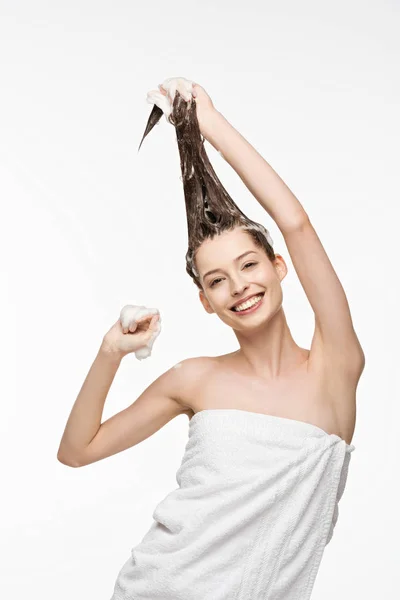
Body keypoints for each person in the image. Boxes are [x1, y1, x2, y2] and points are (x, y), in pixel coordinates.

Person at [57, 78, 365, 600]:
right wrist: (110, 352)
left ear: (278, 266)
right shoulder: (195, 378)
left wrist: (210, 122)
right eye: (216, 280)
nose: (239, 286)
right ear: (205, 300)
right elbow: (76, 450)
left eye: (249, 265)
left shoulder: (334, 367)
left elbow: (297, 223)